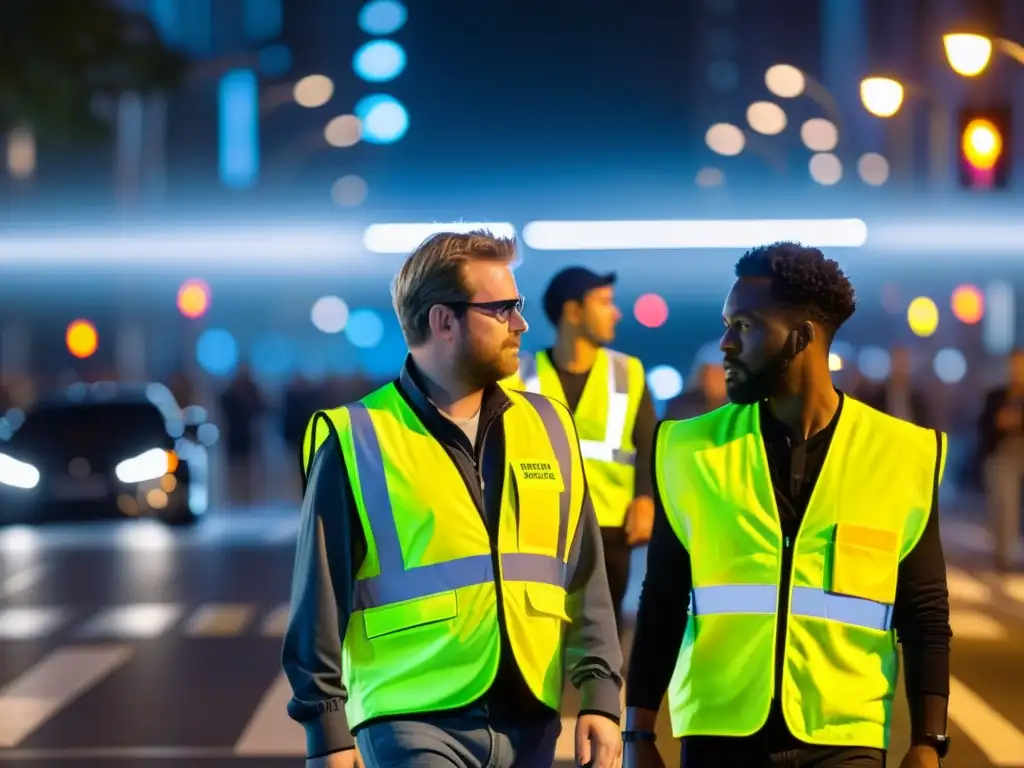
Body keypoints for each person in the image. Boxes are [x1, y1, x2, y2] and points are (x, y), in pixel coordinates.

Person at [282, 230, 623, 768]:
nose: (521, 323)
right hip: (409, 719)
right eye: (503, 309)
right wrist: (327, 733)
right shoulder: (356, 437)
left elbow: (583, 574)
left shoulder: (550, 426)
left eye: (519, 305)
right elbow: (317, 603)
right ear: (444, 320)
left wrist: (601, 694)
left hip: (530, 718)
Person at [623, 242, 952, 768]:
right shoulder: (687, 449)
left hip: (844, 739)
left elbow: (925, 613)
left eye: (745, 327)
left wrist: (928, 742)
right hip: (719, 735)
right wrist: (637, 733)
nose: (725, 344)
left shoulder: (904, 455)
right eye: (727, 325)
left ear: (801, 338)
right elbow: (662, 598)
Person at [502, 267, 657, 634]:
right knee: (540, 631)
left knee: (602, 632)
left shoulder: (628, 372)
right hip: (540, 526)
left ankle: (604, 692)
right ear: (573, 312)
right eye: (604, 303)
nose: (615, 312)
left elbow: (648, 444)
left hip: (610, 525)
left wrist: (646, 500)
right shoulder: (520, 374)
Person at [976, 347, 1024, 571]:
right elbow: (982, 429)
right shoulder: (996, 396)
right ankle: (1004, 553)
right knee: (1004, 498)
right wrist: (1000, 423)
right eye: (1015, 364)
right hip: (1002, 455)